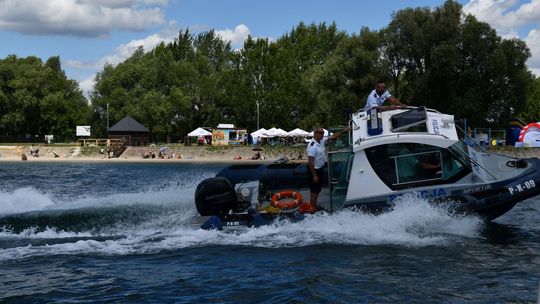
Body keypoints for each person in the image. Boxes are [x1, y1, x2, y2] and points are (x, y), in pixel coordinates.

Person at [303, 126, 351, 212]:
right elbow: (310, 162)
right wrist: (314, 175)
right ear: (315, 133)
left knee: (317, 190)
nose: (322, 134)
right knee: (314, 190)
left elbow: (333, 136)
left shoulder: (321, 141)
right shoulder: (312, 146)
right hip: (314, 170)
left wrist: (344, 131)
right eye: (320, 133)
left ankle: (314, 206)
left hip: (320, 169)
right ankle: (312, 208)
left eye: (323, 133)